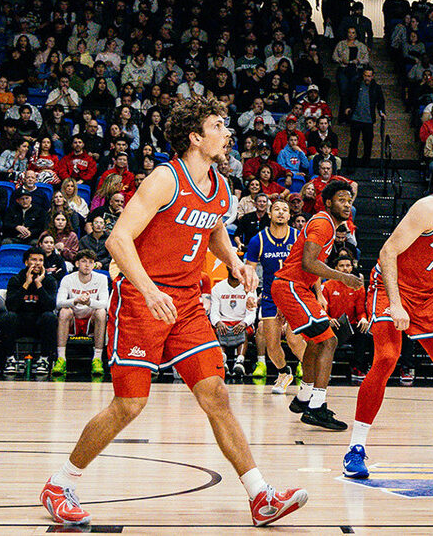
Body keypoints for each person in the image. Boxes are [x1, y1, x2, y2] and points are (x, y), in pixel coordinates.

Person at [41, 95, 308, 528]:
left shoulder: (220, 186)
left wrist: (235, 261)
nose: (227, 132)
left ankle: (260, 495)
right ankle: (60, 483)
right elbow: (117, 240)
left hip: (186, 302)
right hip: (142, 299)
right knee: (130, 405)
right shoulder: (166, 178)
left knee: (216, 395)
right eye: (218, 125)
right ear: (195, 137)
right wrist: (148, 291)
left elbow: (213, 228)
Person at [343, 154, 433, 479]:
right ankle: (355, 448)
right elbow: (387, 252)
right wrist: (396, 305)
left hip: (429, 295)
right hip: (389, 286)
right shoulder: (429, 209)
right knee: (387, 358)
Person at [269, 179, 363, 431]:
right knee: (329, 341)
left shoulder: (328, 224)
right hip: (291, 286)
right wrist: (343, 277)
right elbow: (308, 263)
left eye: (349, 201)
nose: (347, 205)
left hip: (296, 288)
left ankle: (303, 399)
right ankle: (316, 407)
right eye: (341, 200)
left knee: (317, 340)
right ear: (328, 202)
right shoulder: (323, 224)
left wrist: (314, 293)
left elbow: (309, 266)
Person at [244, 198, 305, 392]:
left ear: (290, 215)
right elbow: (249, 271)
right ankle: (284, 372)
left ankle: (312, 374)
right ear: (270, 214)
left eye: (284, 209)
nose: (280, 212)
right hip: (270, 297)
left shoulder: (298, 237)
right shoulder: (258, 240)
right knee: (271, 345)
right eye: (276, 209)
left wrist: (318, 294)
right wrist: (250, 294)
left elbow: (310, 265)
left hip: (294, 295)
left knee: (294, 340)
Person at [53, 254, 109, 377]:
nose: (87, 265)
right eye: (84, 261)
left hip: (91, 318)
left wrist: (89, 302)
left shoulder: (102, 279)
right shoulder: (68, 279)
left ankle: (97, 359)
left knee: (101, 312)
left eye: (90, 262)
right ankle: (61, 359)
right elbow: (58, 303)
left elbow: (105, 304)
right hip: (73, 318)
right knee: (64, 311)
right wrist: (75, 300)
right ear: (77, 263)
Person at [206, 264, 255, 380]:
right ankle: (222, 362)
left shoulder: (249, 288)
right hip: (224, 321)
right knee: (218, 329)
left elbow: (252, 313)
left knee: (243, 330)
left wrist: (244, 323)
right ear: (227, 268)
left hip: (241, 321)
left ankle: (240, 362)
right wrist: (218, 322)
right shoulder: (218, 288)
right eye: (232, 268)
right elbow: (214, 312)